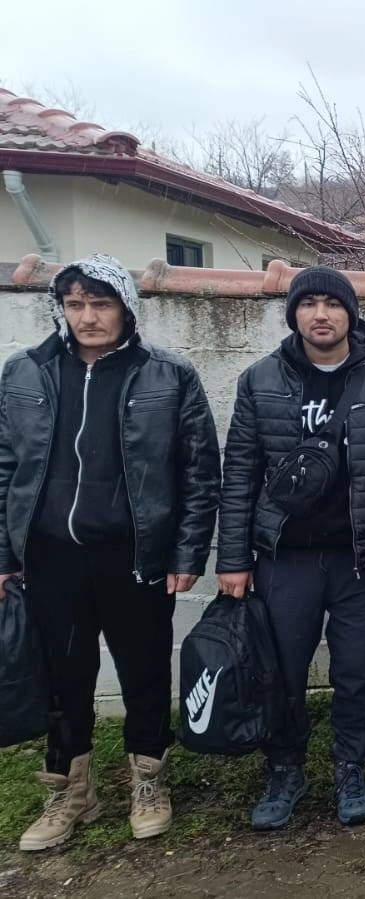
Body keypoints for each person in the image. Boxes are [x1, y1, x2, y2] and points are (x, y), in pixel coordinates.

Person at [1, 255, 219, 850]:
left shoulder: (167, 375)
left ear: (126, 308)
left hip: (135, 553)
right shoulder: (25, 373)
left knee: (143, 671)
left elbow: (199, 472)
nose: (88, 317)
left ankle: (149, 779)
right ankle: (71, 791)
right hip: (50, 556)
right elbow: (4, 467)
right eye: (75, 305)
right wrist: (4, 556)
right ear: (61, 309)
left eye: (101, 304)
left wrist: (187, 554)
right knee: (61, 678)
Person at [216, 266, 365, 830]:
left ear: (350, 314)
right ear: (293, 314)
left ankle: (351, 767)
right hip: (284, 558)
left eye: (332, 304)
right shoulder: (260, 380)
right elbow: (239, 473)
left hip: (362, 559)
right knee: (283, 671)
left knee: (358, 669)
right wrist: (233, 558)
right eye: (308, 304)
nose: (320, 315)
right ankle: (285, 769)